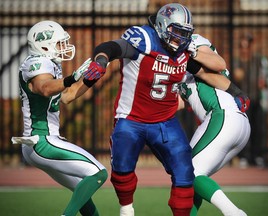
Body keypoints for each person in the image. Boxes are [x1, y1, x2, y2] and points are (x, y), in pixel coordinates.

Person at [85, 3, 250, 216]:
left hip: (217, 117)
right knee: (186, 176)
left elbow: (212, 68)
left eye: (185, 34)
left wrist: (238, 92)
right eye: (177, 32)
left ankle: (233, 212)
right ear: (163, 26)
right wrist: (101, 61)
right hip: (137, 119)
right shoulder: (145, 39)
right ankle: (127, 210)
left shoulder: (189, 49)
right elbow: (113, 47)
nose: (181, 38)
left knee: (191, 173)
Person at [11, 20, 107, 216]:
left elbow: (67, 96)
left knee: (82, 190)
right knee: (98, 173)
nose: (64, 47)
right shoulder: (37, 62)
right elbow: (45, 88)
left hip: (42, 142)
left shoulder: (49, 64)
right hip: (42, 141)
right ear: (43, 44)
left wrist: (89, 78)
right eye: (59, 43)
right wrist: (72, 77)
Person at [179, 34, 251, 216]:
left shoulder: (192, 42)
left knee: (189, 172)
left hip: (222, 115)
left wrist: (190, 52)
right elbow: (178, 103)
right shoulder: (170, 62)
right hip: (232, 121)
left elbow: (219, 64)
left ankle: (234, 213)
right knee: (190, 181)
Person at [232, 33, 268, 168]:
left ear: (252, 47)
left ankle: (259, 156)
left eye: (247, 46)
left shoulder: (259, 61)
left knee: (260, 128)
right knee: (245, 129)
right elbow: (229, 82)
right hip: (243, 101)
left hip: (258, 99)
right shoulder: (236, 62)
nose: (244, 50)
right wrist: (236, 77)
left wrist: (266, 84)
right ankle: (244, 157)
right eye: (242, 47)